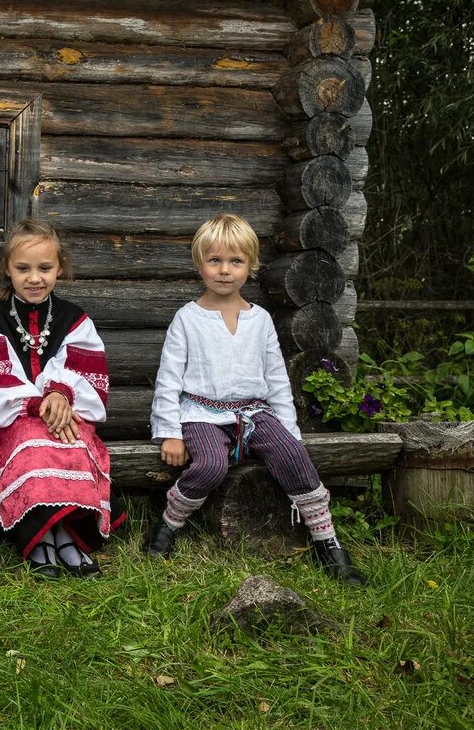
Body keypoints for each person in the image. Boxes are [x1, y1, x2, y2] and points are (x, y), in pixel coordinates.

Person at [145, 214, 365, 585]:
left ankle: (327, 543)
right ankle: (168, 526)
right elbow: (168, 379)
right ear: (200, 264)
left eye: (236, 261)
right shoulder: (188, 318)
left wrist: (289, 432)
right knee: (211, 465)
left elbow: (277, 379)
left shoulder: (259, 319)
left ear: (251, 265)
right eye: (215, 261)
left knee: (294, 455)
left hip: (255, 414)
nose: (225, 271)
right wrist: (170, 432)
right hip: (202, 413)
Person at [0, 219, 125, 579]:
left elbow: (87, 370)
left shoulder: (74, 319)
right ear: (8, 269)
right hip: (13, 419)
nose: (34, 278)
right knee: (32, 443)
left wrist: (62, 393)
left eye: (44, 268)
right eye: (23, 268)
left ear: (59, 268)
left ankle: (68, 535)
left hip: (67, 414)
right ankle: (39, 539)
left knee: (75, 440)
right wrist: (37, 403)